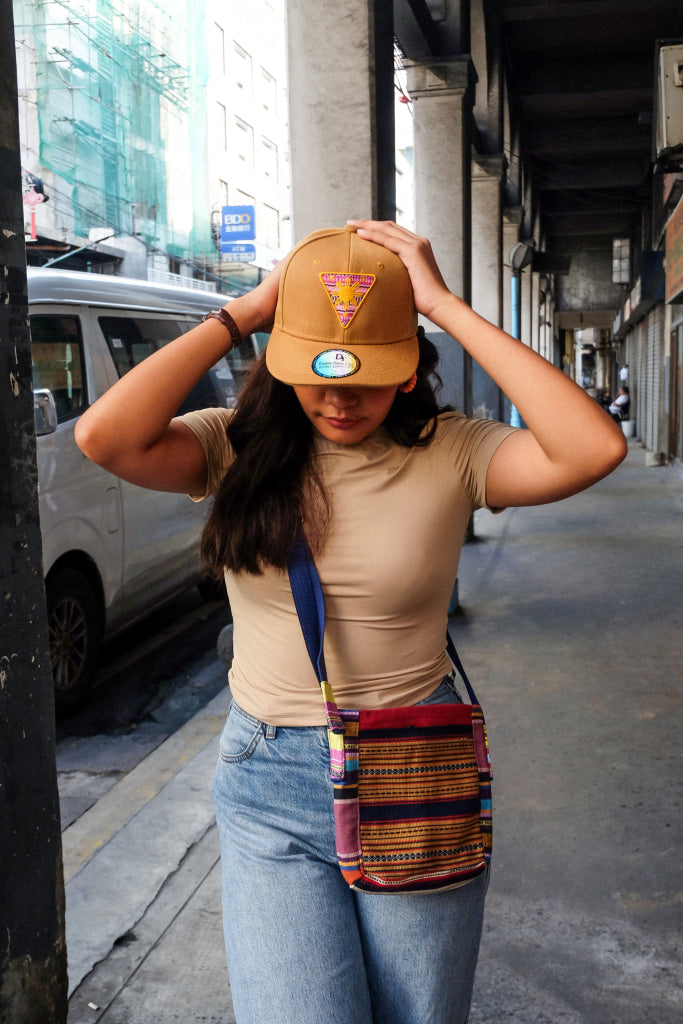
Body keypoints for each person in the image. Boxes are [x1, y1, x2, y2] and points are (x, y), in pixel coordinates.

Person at [75, 221, 626, 1024]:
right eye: (316, 372)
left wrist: (441, 304)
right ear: (284, 360)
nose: (338, 398)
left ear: (408, 369)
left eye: (367, 376)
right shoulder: (233, 447)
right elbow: (102, 436)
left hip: (413, 761)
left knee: (417, 1014)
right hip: (267, 774)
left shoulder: (455, 450)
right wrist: (249, 310)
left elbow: (592, 448)